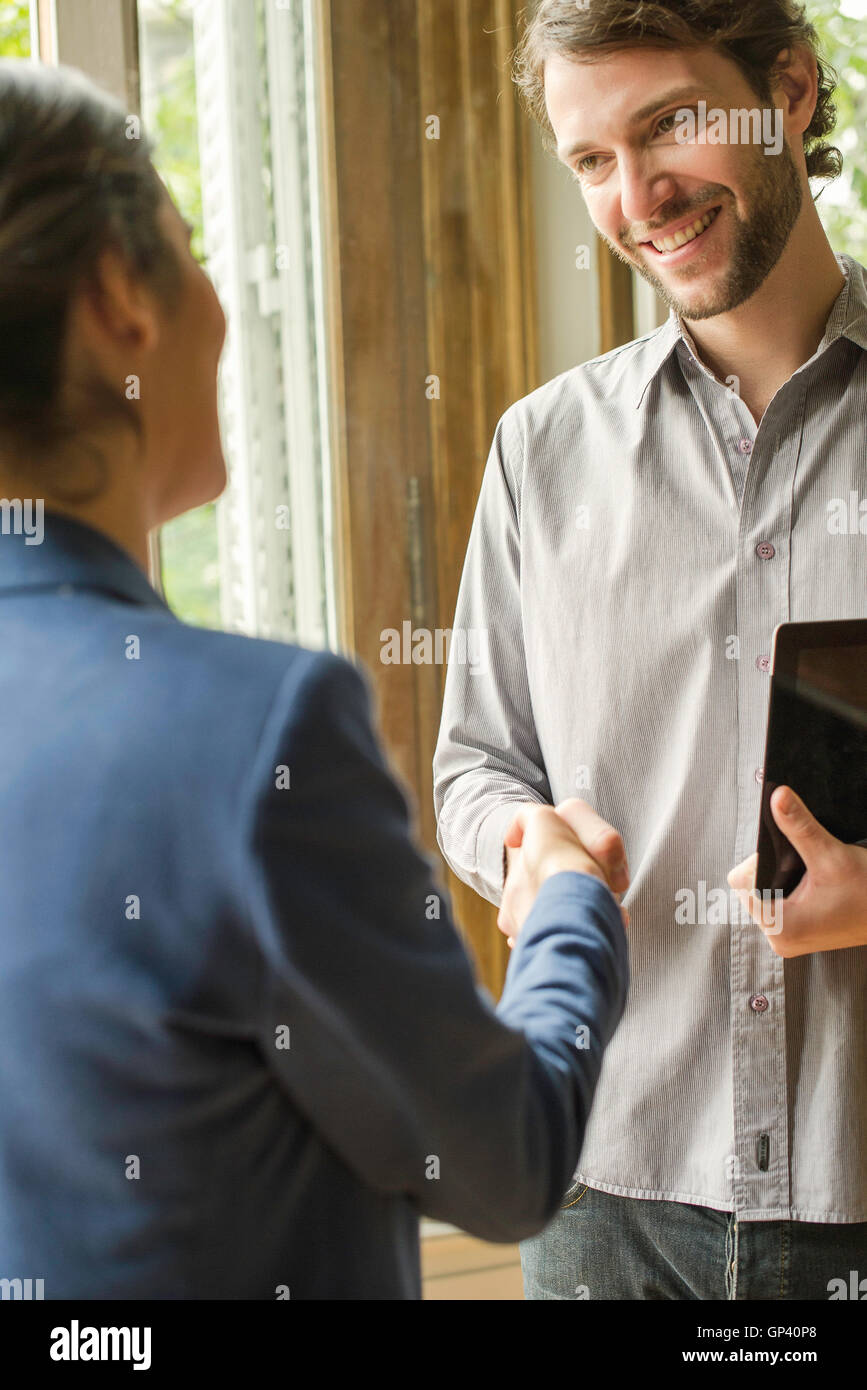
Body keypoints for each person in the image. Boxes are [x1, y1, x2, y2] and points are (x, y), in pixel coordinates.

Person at [0, 58, 630, 1300]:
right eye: (188, 251)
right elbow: (503, 1162)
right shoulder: (251, 734)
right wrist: (565, 897)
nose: (222, 309)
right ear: (124, 297)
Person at [433, 0, 867, 1301]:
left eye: (669, 125)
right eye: (588, 160)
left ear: (785, 90)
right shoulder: (537, 452)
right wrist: (522, 844)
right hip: (598, 1201)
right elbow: (473, 766)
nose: (636, 197)